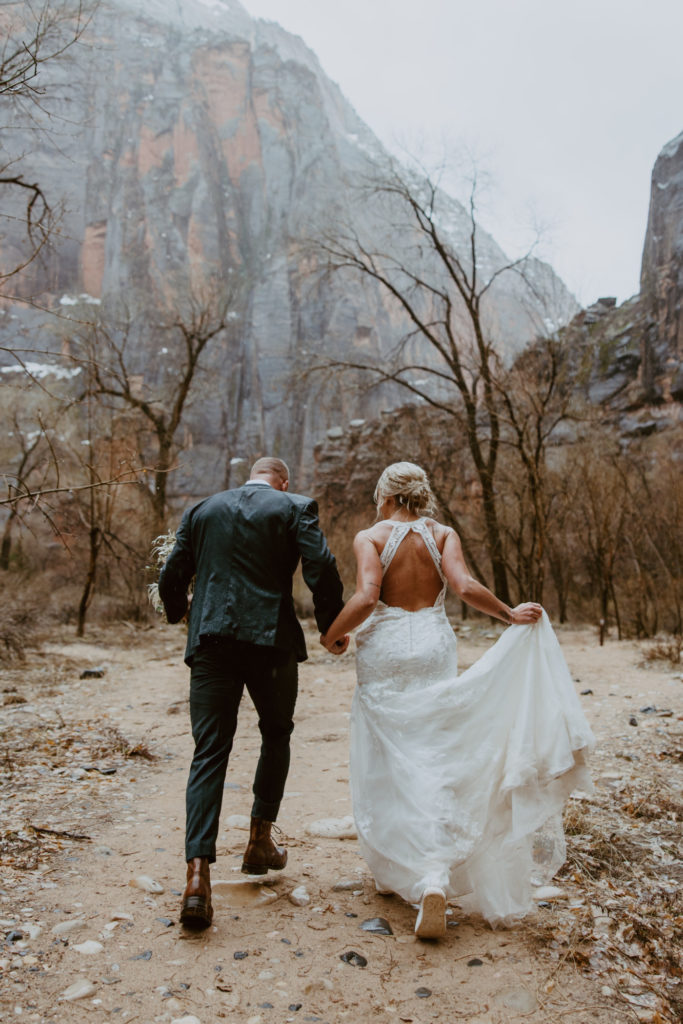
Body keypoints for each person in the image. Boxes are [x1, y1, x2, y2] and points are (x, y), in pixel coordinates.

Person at [320, 462, 594, 939]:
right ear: (420, 496)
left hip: (385, 653)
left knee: (390, 758)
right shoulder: (441, 534)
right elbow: (464, 588)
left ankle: (403, 870)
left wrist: (332, 635)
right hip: (432, 646)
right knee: (435, 754)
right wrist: (509, 613)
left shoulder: (371, 537)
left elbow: (366, 597)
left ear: (385, 495)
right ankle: (433, 872)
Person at [159, 457, 347, 930]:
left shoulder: (202, 509)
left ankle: (197, 877)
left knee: (209, 753)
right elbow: (320, 564)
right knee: (277, 734)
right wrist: (331, 627)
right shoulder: (294, 506)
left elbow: (172, 572)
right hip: (271, 644)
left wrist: (179, 610)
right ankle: (258, 840)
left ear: (249, 477)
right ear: (283, 481)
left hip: (212, 642)